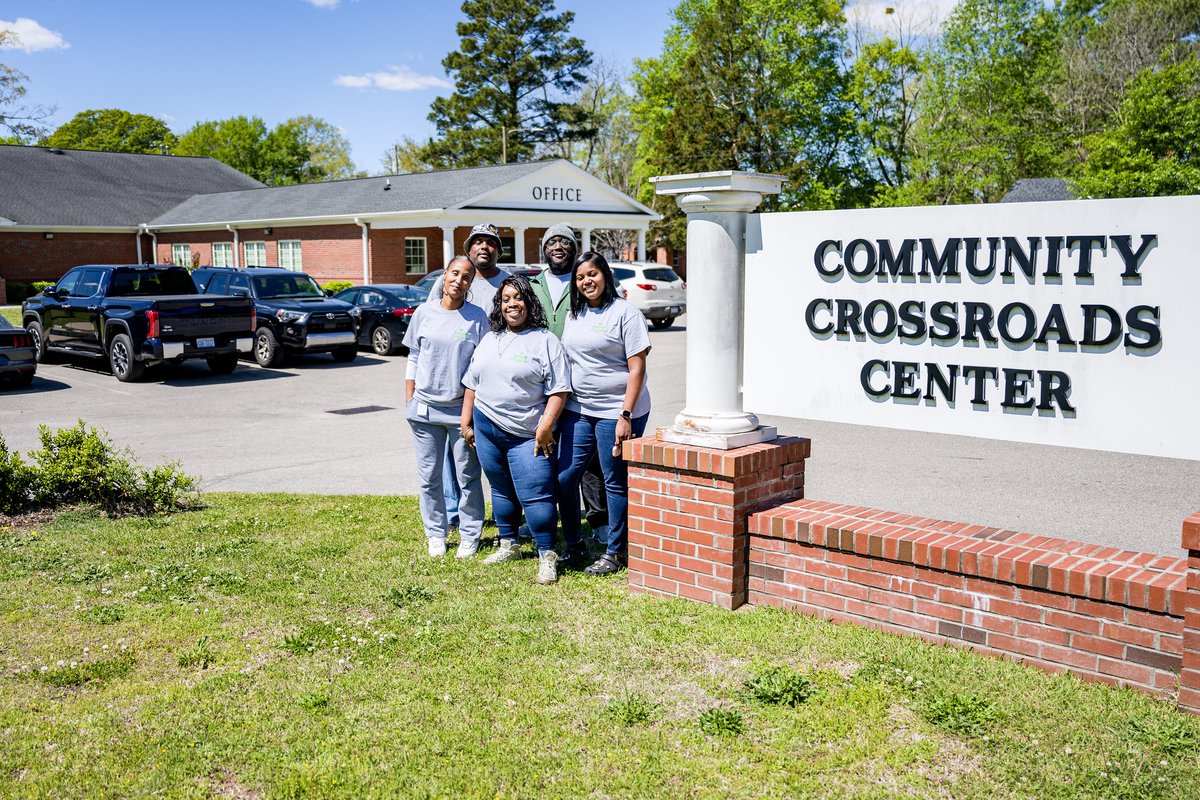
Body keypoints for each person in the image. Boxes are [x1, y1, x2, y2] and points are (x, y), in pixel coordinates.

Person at [462, 275, 571, 585]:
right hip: (486, 428)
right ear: (500, 304)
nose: (512, 303)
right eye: (506, 298)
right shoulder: (489, 339)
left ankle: (547, 554)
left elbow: (560, 390)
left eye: (518, 297)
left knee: (537, 497)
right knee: (499, 489)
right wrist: (466, 423)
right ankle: (509, 543)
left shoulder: (544, 340)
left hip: (528, 434)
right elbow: (472, 383)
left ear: (529, 303)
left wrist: (546, 426)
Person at [556, 252, 651, 575]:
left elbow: (637, 367)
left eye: (592, 274)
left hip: (617, 410)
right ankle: (574, 546)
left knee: (614, 481)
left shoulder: (625, 313)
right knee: (565, 477)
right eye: (581, 277)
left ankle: (616, 551)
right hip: (579, 409)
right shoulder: (575, 314)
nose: (587, 281)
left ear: (605, 276)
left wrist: (626, 415)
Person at [531, 225, 609, 558]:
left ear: (575, 249)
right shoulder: (532, 284)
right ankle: (545, 515)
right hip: (540, 382)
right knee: (545, 453)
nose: (559, 246)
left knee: (587, 459)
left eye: (565, 241)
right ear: (544, 249)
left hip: (578, 383)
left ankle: (598, 518)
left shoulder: (582, 282)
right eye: (552, 241)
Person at [403, 256, 489, 557]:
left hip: (460, 413)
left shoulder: (478, 318)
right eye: (455, 273)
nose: (459, 280)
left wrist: (472, 413)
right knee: (429, 478)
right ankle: (435, 533)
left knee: (467, 477)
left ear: (470, 284)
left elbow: (481, 367)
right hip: (424, 411)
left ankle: (469, 534)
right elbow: (414, 355)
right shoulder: (424, 313)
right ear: (444, 276)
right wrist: (410, 396)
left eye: (466, 277)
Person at [434, 224, 512, 528]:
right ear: (468, 248)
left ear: (498, 250)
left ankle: (507, 514)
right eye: (477, 242)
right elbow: (433, 321)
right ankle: (454, 514)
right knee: (454, 456)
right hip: (453, 383)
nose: (484, 247)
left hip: (496, 381)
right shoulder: (454, 280)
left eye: (490, 243)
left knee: (495, 454)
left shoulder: (510, 282)